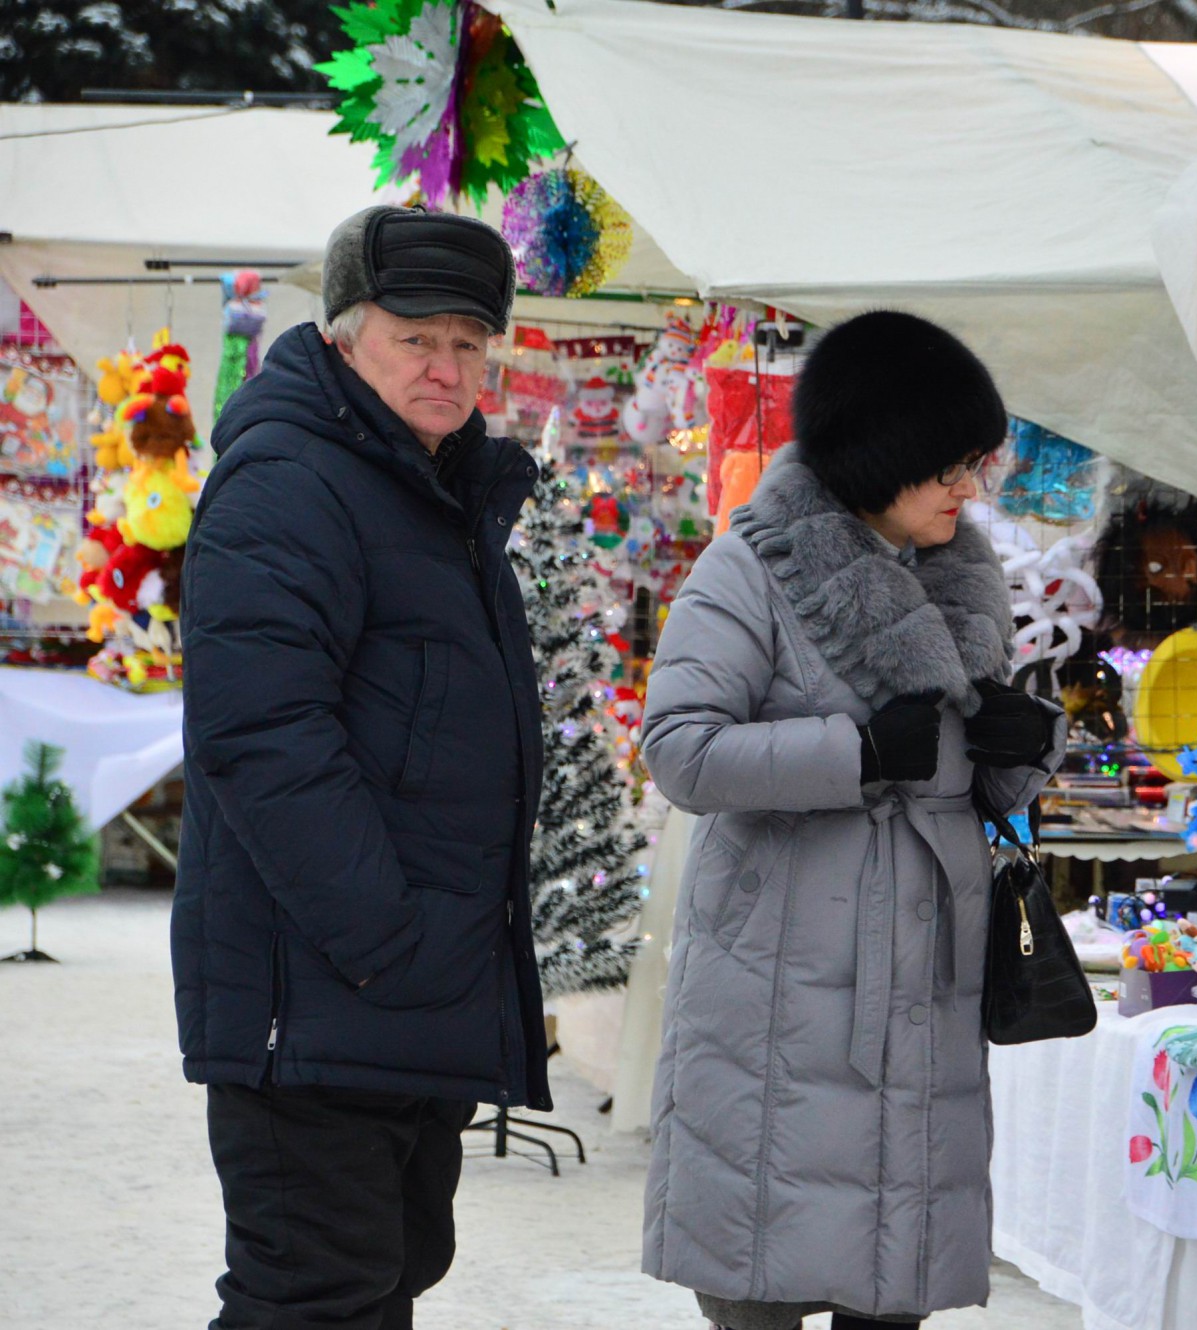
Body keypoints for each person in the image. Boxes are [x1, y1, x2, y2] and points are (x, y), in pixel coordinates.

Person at [639, 311, 1066, 1330]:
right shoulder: (750, 572)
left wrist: (1016, 752)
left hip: (922, 1001)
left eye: (976, 467)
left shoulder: (960, 582)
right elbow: (679, 748)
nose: (969, 492)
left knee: (893, 1294)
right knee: (763, 1285)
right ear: (881, 454)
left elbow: (970, 793)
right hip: (779, 1010)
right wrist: (855, 754)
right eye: (950, 467)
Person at [172, 205, 547, 1330]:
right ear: (344, 338)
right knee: (312, 1297)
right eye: (416, 337)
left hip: (402, 997)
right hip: (324, 995)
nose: (447, 367)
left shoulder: (431, 489)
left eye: (470, 343)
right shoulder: (292, 481)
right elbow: (261, 739)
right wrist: (387, 939)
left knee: (382, 1279)